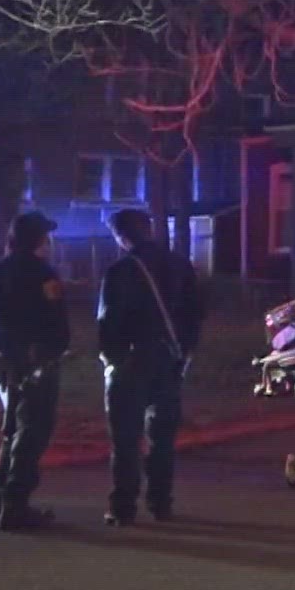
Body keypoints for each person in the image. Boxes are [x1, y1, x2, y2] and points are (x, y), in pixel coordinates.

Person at [0, 212, 70, 531]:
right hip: (36, 362)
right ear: (38, 239)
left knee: (15, 428)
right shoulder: (44, 274)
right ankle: (14, 503)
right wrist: (52, 350)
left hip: (1, 359)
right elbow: (57, 324)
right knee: (32, 430)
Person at [97, 208, 203, 526]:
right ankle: (161, 502)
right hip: (169, 359)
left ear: (120, 236)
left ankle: (123, 506)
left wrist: (111, 357)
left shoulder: (120, 271)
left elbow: (108, 321)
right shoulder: (180, 265)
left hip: (130, 361)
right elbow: (196, 313)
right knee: (162, 436)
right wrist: (183, 352)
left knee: (126, 438)